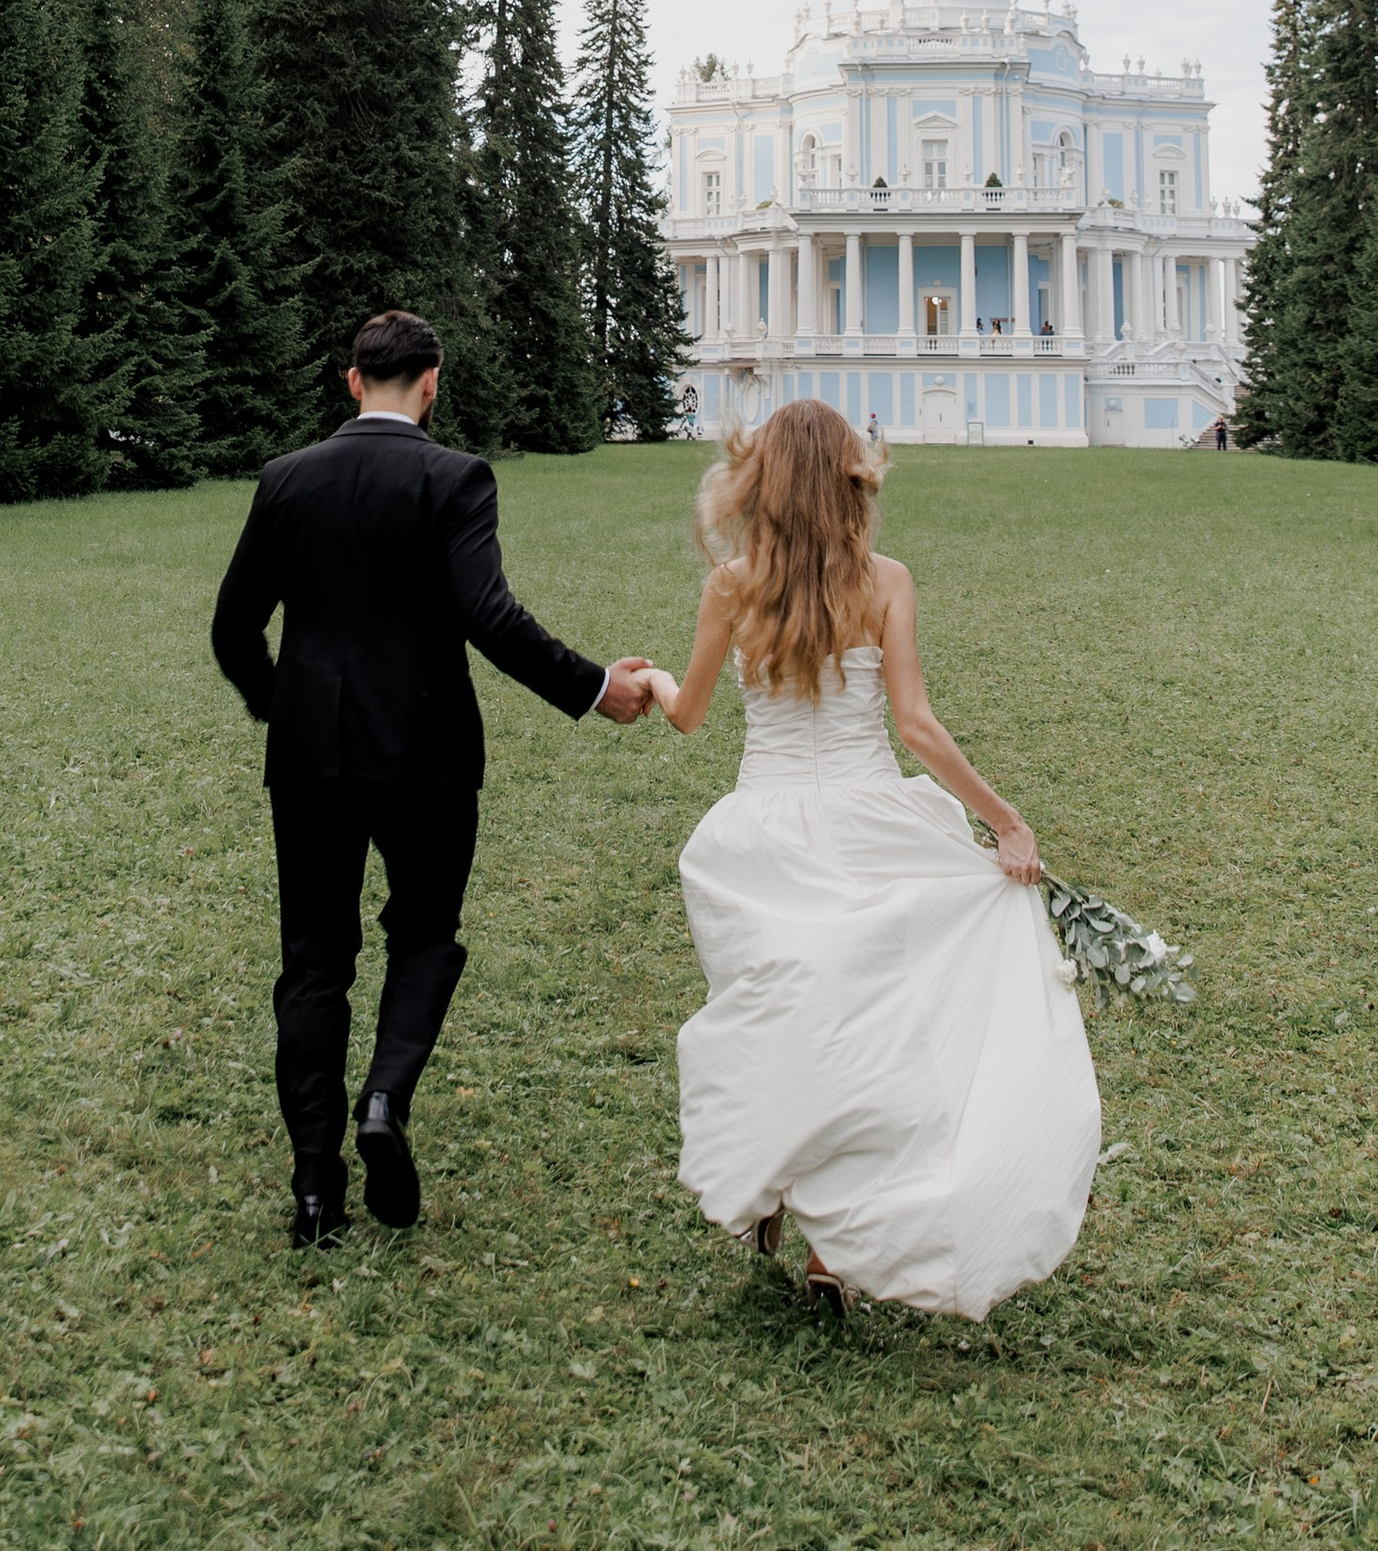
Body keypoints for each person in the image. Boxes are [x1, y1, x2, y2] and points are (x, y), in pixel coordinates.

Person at [643, 398, 1099, 1317]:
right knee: (871, 1027)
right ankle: (828, 1248)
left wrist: (646, 678)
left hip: (764, 833)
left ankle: (777, 1193)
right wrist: (1005, 821)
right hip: (870, 822)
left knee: (779, 1013)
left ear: (760, 483)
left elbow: (687, 712)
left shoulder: (732, 584)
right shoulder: (886, 580)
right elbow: (917, 727)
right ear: (852, 479)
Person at [211, 309, 656, 1249]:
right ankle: (384, 1100)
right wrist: (594, 689)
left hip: (313, 760)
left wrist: (281, 705)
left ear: (350, 381)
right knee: (424, 936)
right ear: (432, 383)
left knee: (313, 962)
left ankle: (312, 1187)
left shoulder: (285, 480)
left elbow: (233, 630)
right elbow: (489, 616)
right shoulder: (453, 477)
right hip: (427, 756)